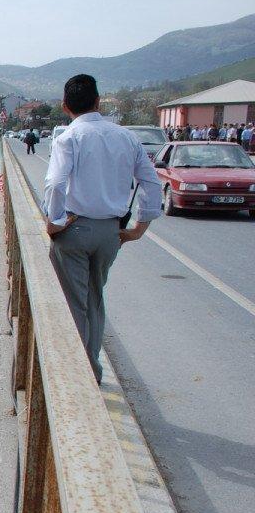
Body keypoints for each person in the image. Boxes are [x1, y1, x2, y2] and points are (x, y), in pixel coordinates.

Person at [42, 74, 161, 384]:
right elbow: (151, 183)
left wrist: (53, 223)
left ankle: (75, 375)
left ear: (65, 106)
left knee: (73, 302)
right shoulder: (127, 137)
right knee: (95, 299)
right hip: (110, 233)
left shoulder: (67, 139)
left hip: (74, 230)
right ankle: (92, 368)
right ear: (97, 102)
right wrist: (139, 229)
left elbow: (55, 183)